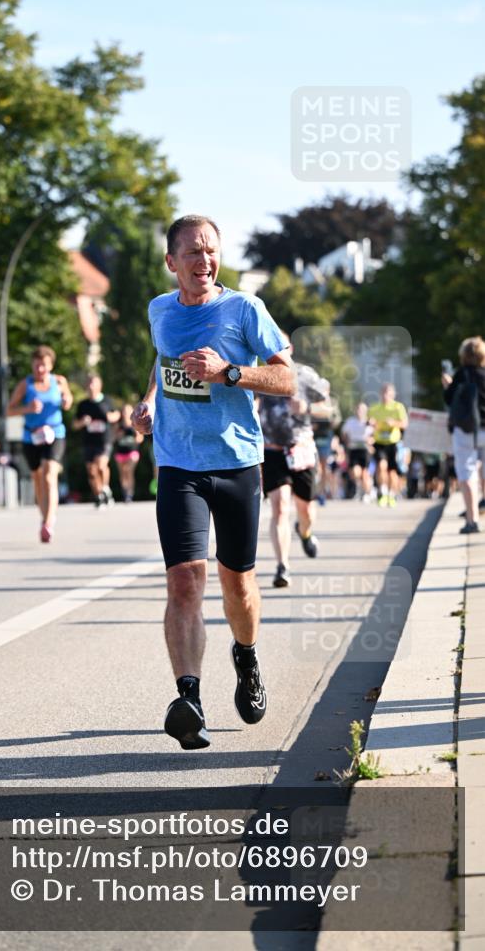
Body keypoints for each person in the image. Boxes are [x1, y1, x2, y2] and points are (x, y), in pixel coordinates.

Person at [131, 214, 295, 750]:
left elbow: (286, 378)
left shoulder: (245, 309)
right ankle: (189, 697)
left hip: (237, 463)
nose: (204, 262)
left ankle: (245, 658)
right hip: (178, 462)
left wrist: (229, 372)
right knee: (184, 579)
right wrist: (149, 402)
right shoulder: (159, 309)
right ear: (171, 262)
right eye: (193, 253)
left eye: (211, 252)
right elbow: (162, 362)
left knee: (237, 584)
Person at [258, 342, 330, 589]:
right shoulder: (260, 373)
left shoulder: (304, 374)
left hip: (301, 450)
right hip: (272, 451)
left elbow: (329, 408)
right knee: (280, 507)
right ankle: (283, 565)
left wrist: (308, 407)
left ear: (290, 348)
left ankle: (306, 532)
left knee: (306, 510)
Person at [7, 345, 72, 543]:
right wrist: (27, 408)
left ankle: (49, 523)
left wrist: (65, 398)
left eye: (43, 365)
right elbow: (9, 410)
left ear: (51, 365)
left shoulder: (59, 381)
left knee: (49, 473)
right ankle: (44, 518)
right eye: (36, 366)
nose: (40, 370)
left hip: (54, 434)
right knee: (37, 477)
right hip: (31, 437)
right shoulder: (25, 385)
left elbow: (68, 402)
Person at [442, 336, 485, 534]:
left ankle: (472, 520)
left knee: (467, 474)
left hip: (465, 430)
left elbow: (450, 400)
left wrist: (447, 385)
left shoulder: (460, 375)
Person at [73, 375, 120, 507]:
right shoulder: (83, 404)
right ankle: (99, 495)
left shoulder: (107, 400)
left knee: (100, 465)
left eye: (93, 383)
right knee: (92, 471)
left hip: (105, 439)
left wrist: (110, 417)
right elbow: (75, 424)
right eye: (88, 383)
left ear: (100, 385)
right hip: (89, 441)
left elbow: (117, 415)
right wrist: (82, 422)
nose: (90, 385)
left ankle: (105, 487)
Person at [369, 383, 408, 507]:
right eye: (384, 393)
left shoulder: (398, 407)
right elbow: (368, 425)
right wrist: (372, 424)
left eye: (389, 393)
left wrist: (394, 423)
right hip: (379, 442)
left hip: (393, 443)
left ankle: (392, 495)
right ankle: (383, 491)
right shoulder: (374, 408)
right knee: (381, 466)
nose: (386, 396)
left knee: (392, 471)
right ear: (381, 394)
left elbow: (405, 424)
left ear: (393, 394)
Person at [340, 402, 374, 502]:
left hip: (365, 449)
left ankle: (367, 492)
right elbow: (344, 434)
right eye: (358, 409)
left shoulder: (369, 422)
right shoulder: (350, 422)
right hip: (353, 449)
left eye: (362, 410)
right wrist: (347, 443)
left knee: (365, 473)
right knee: (355, 472)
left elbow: (374, 435)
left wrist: (371, 442)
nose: (360, 412)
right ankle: (360, 488)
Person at [113, 403, 144, 502]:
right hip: (120, 453)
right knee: (122, 473)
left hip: (132, 452)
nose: (126, 413)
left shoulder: (134, 424)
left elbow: (140, 439)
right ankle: (125, 492)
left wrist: (135, 434)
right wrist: (119, 435)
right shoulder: (118, 425)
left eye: (128, 411)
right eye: (124, 411)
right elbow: (113, 438)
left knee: (128, 471)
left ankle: (130, 493)